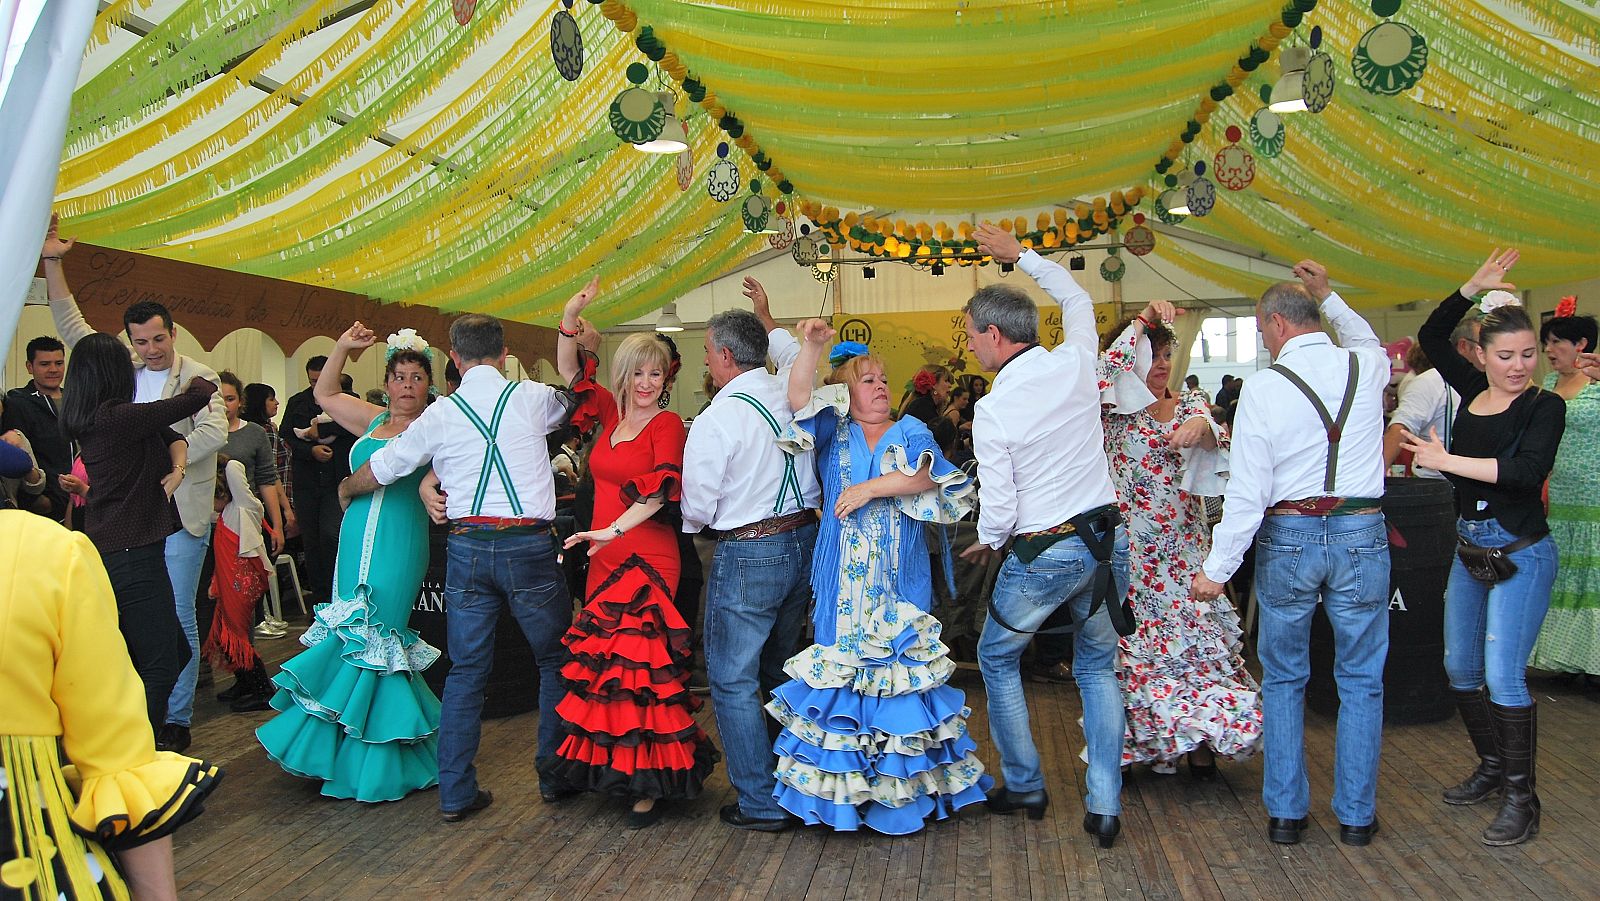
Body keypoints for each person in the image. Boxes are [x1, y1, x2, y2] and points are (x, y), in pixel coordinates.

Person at [339, 308, 580, 820]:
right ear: (504, 353)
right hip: (529, 545)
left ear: (453, 357)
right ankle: (555, 776)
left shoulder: (440, 414)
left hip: (468, 547)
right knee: (554, 660)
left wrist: (346, 487)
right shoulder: (532, 397)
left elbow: (384, 466)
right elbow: (575, 402)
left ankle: (456, 792)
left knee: (467, 670)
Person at [1191, 260, 1391, 848]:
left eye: (1260, 330)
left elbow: (1247, 492)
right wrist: (1330, 295)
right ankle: (1356, 816)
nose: (1261, 341)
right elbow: (1362, 336)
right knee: (1361, 680)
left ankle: (1286, 814)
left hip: (1290, 536)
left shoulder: (1265, 388)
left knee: (1283, 679)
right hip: (1361, 531)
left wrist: (1215, 569)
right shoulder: (1368, 364)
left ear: (1277, 323)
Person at [765, 319, 989, 834]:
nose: (882, 386)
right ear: (846, 389)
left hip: (898, 579)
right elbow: (798, 396)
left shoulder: (910, 429)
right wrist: (814, 345)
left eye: (884, 378)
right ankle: (844, 798)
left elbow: (926, 474)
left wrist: (870, 489)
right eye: (869, 379)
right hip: (842, 579)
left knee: (899, 676)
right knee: (842, 674)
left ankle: (899, 798)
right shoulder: (831, 428)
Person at [959, 224, 1131, 849]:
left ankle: (1027, 784)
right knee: (1098, 668)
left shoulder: (994, 407)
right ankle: (1106, 804)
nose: (971, 346)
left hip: (1045, 550)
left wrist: (986, 538)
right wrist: (1023, 257)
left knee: (996, 657)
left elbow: (1001, 510)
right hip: (1108, 544)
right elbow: (1080, 303)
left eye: (973, 335)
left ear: (996, 336)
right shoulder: (1076, 362)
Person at [44, 217, 228, 754]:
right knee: (157, 641)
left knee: (174, 628)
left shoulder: (113, 402)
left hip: (170, 517)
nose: (148, 349)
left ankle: (170, 721)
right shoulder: (118, 401)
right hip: (132, 535)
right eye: (138, 342)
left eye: (157, 339)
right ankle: (140, 739)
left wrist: (177, 461)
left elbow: (203, 427)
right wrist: (53, 263)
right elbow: (73, 326)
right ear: (126, 345)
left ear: (173, 333)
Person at [1404, 250, 1565, 846]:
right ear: (1481, 354)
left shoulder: (1545, 407)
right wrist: (1471, 286)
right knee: (1459, 668)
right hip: (1470, 550)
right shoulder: (1470, 386)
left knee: (1503, 677)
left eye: (1528, 354)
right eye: (1506, 356)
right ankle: (1496, 768)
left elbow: (1525, 472)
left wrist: (1446, 460)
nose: (1519, 366)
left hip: (1521, 551)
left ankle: (1525, 799)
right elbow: (1430, 333)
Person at [539, 298, 718, 829]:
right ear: (623, 376)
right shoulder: (611, 414)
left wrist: (612, 528)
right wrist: (568, 316)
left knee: (640, 670)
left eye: (655, 372)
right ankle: (615, 770)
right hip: (602, 556)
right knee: (607, 673)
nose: (647, 381)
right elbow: (570, 369)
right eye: (638, 372)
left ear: (667, 378)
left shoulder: (666, 426)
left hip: (646, 558)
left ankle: (648, 783)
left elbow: (662, 494)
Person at [256, 323, 443, 802]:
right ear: (388, 381)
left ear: (429, 383)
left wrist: (430, 484)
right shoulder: (372, 419)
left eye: (416, 378)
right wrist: (341, 346)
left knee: (377, 633)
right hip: (354, 533)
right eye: (399, 377)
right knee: (347, 631)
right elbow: (324, 391)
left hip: (400, 539)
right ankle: (337, 750)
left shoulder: (438, 424)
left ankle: (377, 758)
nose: (407, 386)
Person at [1, 511, 222, 901]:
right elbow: (116, 756)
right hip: (33, 862)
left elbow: (118, 758)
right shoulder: (42, 550)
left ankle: (177, 721)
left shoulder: (47, 551)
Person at [1098, 306, 1262, 779]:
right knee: (1136, 649)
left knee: (1198, 643)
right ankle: (1148, 744)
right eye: (1152, 354)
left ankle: (1202, 743)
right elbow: (1100, 371)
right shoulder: (1111, 412)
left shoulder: (1191, 403)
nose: (1163, 364)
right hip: (1132, 557)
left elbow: (1224, 445)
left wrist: (1208, 429)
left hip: (1186, 551)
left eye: (1168, 354)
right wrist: (1138, 326)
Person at [681, 303, 821, 832]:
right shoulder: (792, 393)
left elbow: (697, 502)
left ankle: (760, 801)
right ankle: (791, 779)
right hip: (802, 539)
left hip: (748, 549)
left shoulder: (719, 415)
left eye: (707, 354)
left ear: (722, 355)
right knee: (780, 668)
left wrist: (701, 525)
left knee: (732, 677)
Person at [58, 333, 217, 732]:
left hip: (131, 549)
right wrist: (178, 367)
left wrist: (178, 468)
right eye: (131, 359)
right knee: (161, 663)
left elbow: (173, 435)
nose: (140, 362)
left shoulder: (115, 420)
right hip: (129, 554)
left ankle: (131, 742)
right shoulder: (114, 419)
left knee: (172, 653)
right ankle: (133, 748)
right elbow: (199, 394)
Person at [1528, 307, 1600, 685]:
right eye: (1547, 344)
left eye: (1556, 342)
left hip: (1595, 497)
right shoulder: (1550, 381)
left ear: (1582, 344)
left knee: (1594, 579)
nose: (1549, 351)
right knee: (1564, 576)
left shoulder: (1598, 383)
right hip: (1558, 493)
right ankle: (1566, 659)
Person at [282, 355, 357, 610]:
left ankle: (341, 597)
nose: (316, 385)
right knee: (311, 543)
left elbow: (356, 427)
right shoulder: (298, 403)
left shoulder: (350, 401)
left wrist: (322, 432)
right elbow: (287, 436)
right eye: (312, 380)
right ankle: (320, 601)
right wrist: (309, 451)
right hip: (308, 482)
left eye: (321, 380)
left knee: (332, 536)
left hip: (337, 481)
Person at [203, 456, 274, 712]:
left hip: (241, 585)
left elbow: (233, 467)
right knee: (225, 635)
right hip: (228, 583)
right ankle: (244, 682)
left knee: (237, 635)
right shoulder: (227, 514)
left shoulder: (244, 507)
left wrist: (216, 460)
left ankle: (262, 689)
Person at [1381, 324, 1473, 478]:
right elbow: (1401, 427)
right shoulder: (1430, 381)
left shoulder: (1492, 381)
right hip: (1440, 485)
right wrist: (1375, 476)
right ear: (1464, 346)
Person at [242, 381, 296, 636]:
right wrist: (284, 508)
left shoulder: (269, 429)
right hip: (258, 503)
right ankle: (257, 616)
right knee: (258, 562)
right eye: (271, 398)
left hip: (271, 498)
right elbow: (270, 474)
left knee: (265, 560)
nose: (276, 403)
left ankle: (261, 614)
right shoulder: (260, 432)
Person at [2, 335, 72, 519]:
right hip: (44, 506)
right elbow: (17, 456)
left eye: (59, 363)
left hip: (81, 500)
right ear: (29, 367)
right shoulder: (18, 403)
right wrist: (39, 500)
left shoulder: (76, 399)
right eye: (45, 364)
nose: (53, 369)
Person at [217, 372, 285, 558]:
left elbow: (267, 480)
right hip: (207, 519)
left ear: (240, 401)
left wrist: (277, 526)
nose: (224, 405)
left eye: (230, 399)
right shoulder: (199, 432)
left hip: (246, 517)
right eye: (218, 399)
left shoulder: (254, 432)